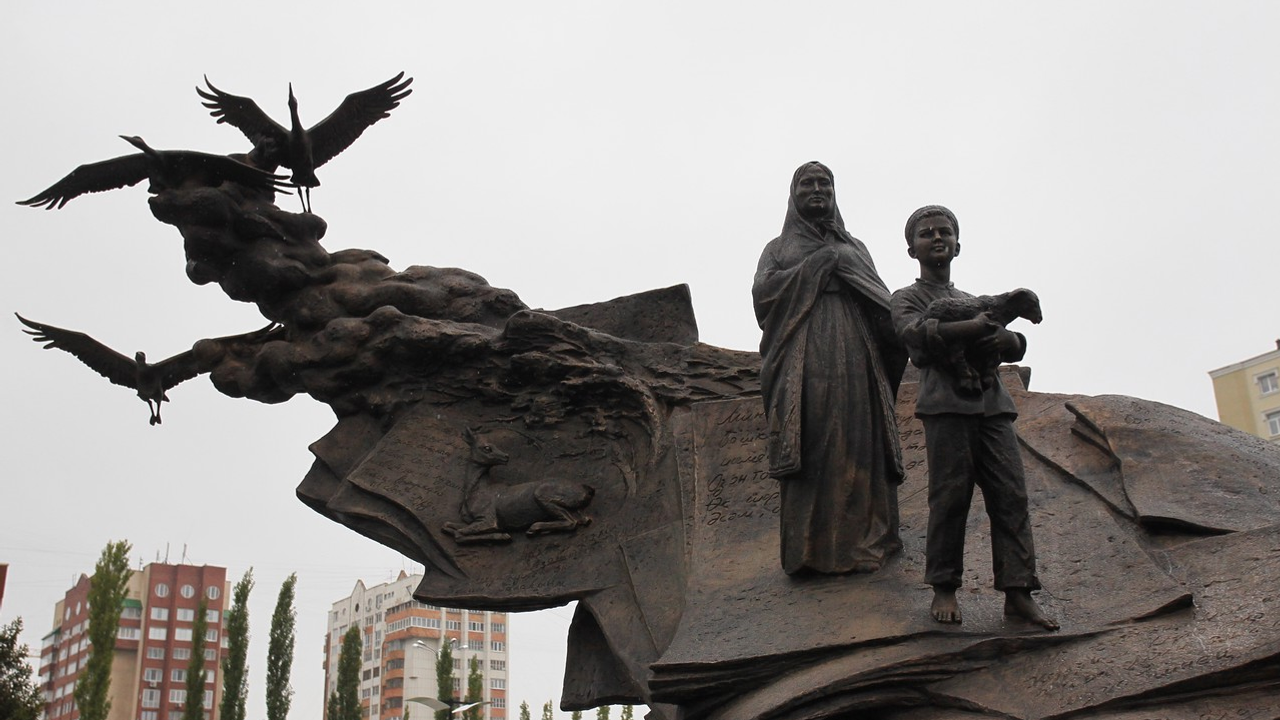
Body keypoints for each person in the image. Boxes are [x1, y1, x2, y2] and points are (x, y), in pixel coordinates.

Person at [889, 204, 1058, 630]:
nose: (937, 237)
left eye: (944, 231)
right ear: (912, 250)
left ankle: (1018, 591)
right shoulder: (907, 298)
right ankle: (944, 586)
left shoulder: (971, 300)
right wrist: (974, 330)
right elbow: (915, 340)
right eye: (926, 233)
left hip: (993, 406)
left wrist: (1005, 339)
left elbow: (1013, 343)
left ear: (958, 245)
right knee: (950, 497)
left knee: (1011, 496)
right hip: (946, 406)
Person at [752, 161, 906, 576]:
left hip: (857, 351)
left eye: (825, 183)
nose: (817, 189)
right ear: (794, 194)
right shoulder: (778, 249)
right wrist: (818, 265)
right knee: (814, 438)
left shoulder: (855, 247)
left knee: (859, 438)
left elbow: (882, 300)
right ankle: (808, 550)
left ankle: (868, 542)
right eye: (807, 183)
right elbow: (762, 297)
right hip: (804, 353)